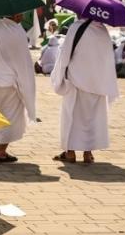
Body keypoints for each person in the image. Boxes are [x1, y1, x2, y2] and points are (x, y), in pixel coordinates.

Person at [50, 18, 120, 164]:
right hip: (97, 83)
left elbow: (65, 55)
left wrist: (59, 75)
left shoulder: (76, 27)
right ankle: (88, 154)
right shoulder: (102, 31)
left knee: (72, 116)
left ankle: (70, 153)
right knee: (92, 118)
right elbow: (107, 58)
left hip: (76, 80)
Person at [0, 13, 37, 163]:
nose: (22, 16)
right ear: (15, 15)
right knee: (11, 116)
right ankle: (1, 152)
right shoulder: (17, 31)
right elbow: (22, 60)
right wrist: (26, 84)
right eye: (20, 13)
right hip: (11, 82)